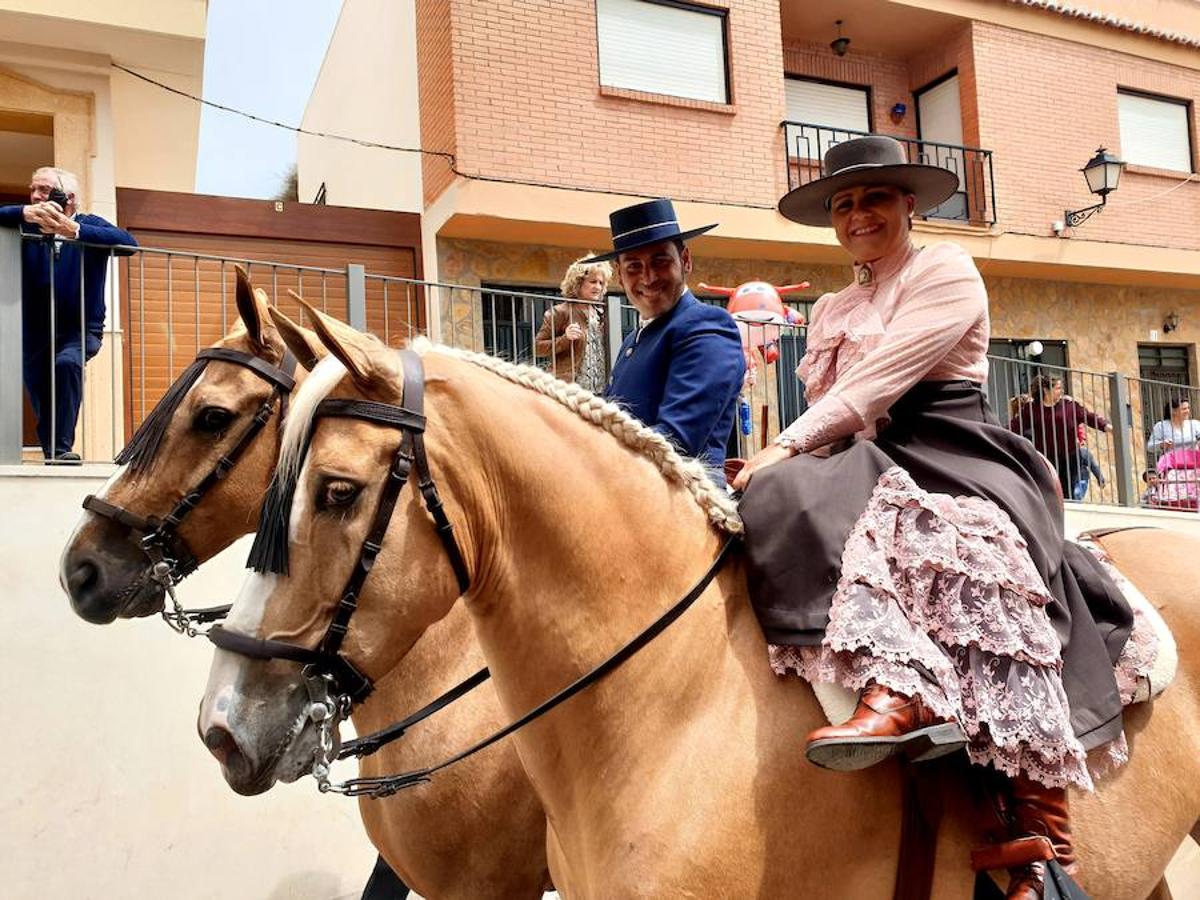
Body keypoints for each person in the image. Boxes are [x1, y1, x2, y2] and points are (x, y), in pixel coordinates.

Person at [733, 137, 1131, 899]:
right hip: (864, 449)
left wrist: (785, 445)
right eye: (844, 205)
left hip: (955, 448)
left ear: (908, 203)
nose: (858, 215)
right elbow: (837, 412)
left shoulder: (947, 269)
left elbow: (879, 383)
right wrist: (778, 460)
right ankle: (882, 681)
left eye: (874, 198)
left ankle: (1043, 850)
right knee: (774, 501)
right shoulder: (833, 308)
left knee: (984, 571)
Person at [584, 198, 745, 478]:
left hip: (685, 503)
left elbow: (675, 440)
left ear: (685, 261)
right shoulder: (634, 339)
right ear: (620, 277)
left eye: (660, 261)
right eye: (633, 266)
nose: (648, 278)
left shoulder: (706, 325)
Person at [0, 166, 136, 462]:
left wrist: (72, 230)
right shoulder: (26, 226)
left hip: (80, 329)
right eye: (33, 189)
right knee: (40, 391)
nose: (36, 196)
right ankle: (53, 452)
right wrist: (23, 213)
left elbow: (128, 243)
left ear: (69, 198)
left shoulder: (88, 224)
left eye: (45, 191)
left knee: (67, 365)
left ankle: (61, 448)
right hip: (34, 330)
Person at [1010, 374, 1112, 500]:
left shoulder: (1069, 406)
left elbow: (1089, 417)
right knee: (1049, 490)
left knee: (1067, 491)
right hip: (1047, 457)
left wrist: (1106, 426)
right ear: (1046, 390)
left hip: (1070, 456)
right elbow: (1016, 425)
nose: (1061, 391)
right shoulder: (1032, 409)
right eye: (1058, 388)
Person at [535, 255, 611, 392]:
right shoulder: (560, 312)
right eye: (593, 281)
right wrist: (565, 339)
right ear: (578, 283)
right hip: (570, 389)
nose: (598, 287)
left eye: (601, 283)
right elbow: (538, 348)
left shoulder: (603, 314)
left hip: (601, 390)